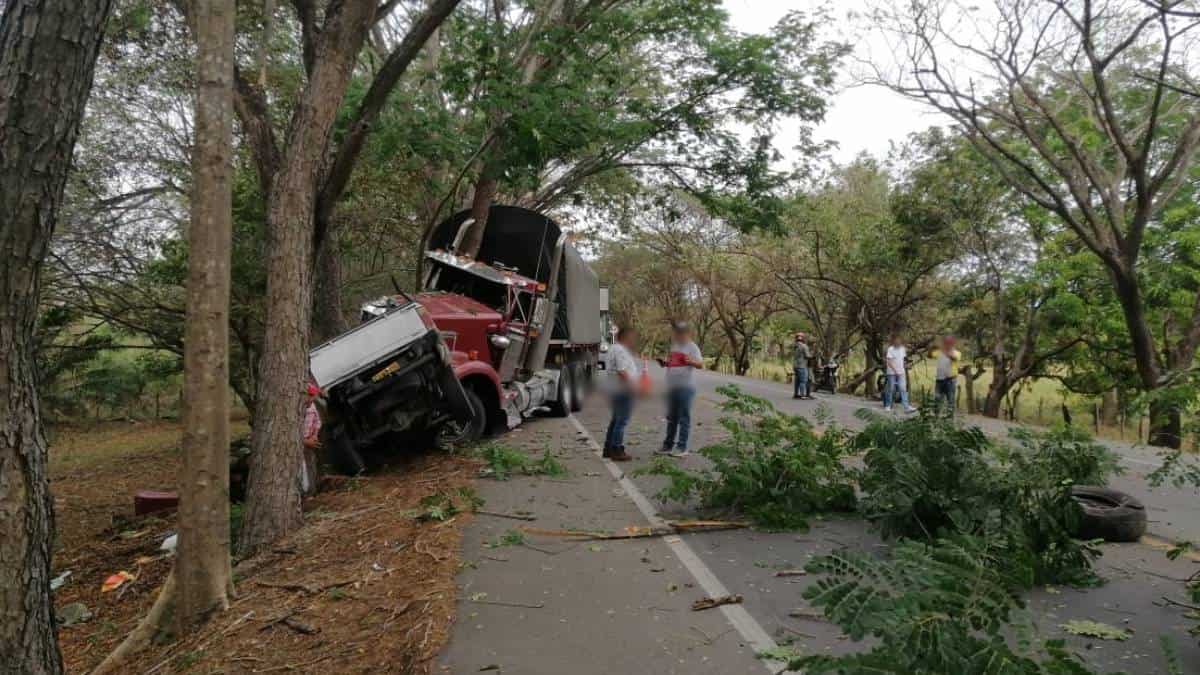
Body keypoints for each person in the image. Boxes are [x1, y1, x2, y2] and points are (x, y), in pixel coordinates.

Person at [657, 321, 703, 457]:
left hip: (686, 387)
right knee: (671, 418)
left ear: (687, 333)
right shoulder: (675, 346)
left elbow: (700, 364)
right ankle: (667, 446)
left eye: (681, 332)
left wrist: (691, 361)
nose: (678, 335)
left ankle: (682, 447)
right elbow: (672, 362)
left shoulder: (692, 347)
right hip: (672, 387)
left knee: (684, 418)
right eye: (677, 332)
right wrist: (665, 363)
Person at [603, 326, 640, 461]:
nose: (633, 340)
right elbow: (622, 371)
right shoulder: (621, 350)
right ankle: (617, 449)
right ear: (625, 337)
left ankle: (608, 448)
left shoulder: (614, 348)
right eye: (631, 337)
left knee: (616, 419)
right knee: (622, 421)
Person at [883, 334, 916, 413]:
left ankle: (906, 407)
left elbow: (902, 360)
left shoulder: (902, 349)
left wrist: (906, 365)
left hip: (901, 372)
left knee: (903, 389)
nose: (898, 342)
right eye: (896, 340)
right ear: (893, 341)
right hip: (891, 373)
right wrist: (895, 371)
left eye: (899, 340)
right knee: (891, 389)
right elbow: (889, 362)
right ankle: (888, 405)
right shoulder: (890, 349)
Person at [301, 382, 323, 493]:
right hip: (299, 444)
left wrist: (315, 435)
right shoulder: (296, 411)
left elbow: (317, 422)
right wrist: (305, 441)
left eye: (313, 396)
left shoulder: (312, 407)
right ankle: (304, 493)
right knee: (302, 469)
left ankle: (312, 492)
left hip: (309, 441)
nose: (311, 399)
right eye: (309, 396)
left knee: (311, 465)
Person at [933, 335, 962, 412]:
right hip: (939, 379)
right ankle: (935, 418)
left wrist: (943, 349)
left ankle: (949, 420)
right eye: (946, 342)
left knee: (950, 400)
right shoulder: (939, 352)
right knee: (937, 400)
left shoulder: (957, 353)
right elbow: (930, 355)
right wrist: (932, 346)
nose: (947, 344)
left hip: (951, 380)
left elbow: (953, 358)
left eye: (949, 342)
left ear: (953, 343)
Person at [792, 332, 812, 399]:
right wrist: (812, 357)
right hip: (802, 365)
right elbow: (807, 356)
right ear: (803, 338)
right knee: (803, 381)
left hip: (795, 365)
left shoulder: (795, 346)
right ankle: (803, 395)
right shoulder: (804, 346)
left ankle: (796, 394)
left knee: (797, 381)